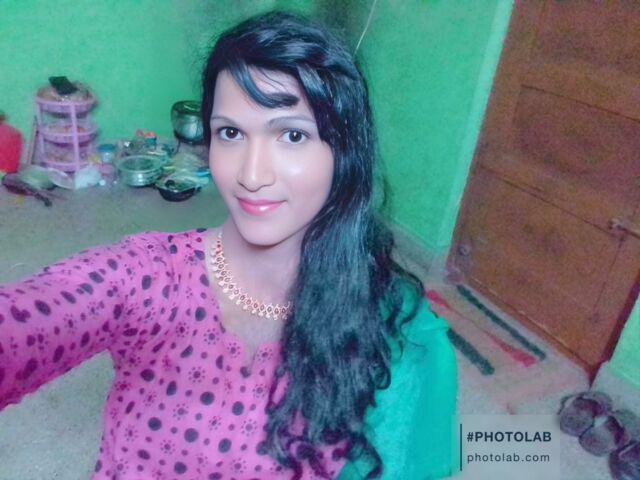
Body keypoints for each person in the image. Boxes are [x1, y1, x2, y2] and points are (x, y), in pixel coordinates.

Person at [0, 11, 456, 480]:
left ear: (344, 151)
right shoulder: (148, 276)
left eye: (292, 134)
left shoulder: (397, 324)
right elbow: (35, 318)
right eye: (231, 133)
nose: (251, 175)